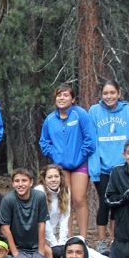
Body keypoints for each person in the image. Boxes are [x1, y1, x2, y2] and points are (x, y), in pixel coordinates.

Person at [39, 84, 95, 239]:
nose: (61, 98)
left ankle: (82, 239)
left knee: (78, 199)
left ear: (73, 99)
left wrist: (80, 155)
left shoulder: (80, 114)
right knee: (66, 201)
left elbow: (90, 139)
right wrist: (55, 155)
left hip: (79, 164)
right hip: (61, 166)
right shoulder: (50, 119)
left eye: (65, 95)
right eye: (59, 95)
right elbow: (44, 142)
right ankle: (67, 238)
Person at [88, 80, 129, 255]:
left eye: (112, 93)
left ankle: (116, 240)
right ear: (101, 94)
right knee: (105, 203)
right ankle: (101, 241)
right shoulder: (94, 111)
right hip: (103, 169)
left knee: (119, 205)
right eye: (106, 93)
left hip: (122, 168)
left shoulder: (127, 111)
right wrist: (95, 169)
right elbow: (93, 141)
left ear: (119, 93)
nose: (109, 96)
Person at [34, 164, 71, 258]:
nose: (53, 180)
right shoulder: (39, 192)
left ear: (61, 177)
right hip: (37, 235)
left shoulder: (66, 190)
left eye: (56, 176)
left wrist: (62, 242)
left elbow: (65, 217)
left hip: (52, 236)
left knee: (65, 254)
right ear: (44, 179)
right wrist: (54, 244)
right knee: (52, 254)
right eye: (50, 177)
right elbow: (44, 220)